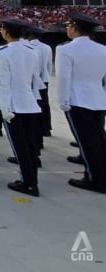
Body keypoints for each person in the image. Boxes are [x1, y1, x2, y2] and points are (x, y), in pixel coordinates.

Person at [55, 11, 106, 193]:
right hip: (99, 99)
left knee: (86, 143)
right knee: (99, 140)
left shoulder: (65, 49)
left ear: (75, 28)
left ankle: (94, 179)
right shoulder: (102, 49)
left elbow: (63, 78)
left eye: (69, 26)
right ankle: (100, 175)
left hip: (77, 100)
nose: (67, 29)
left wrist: (63, 101)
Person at [0, 17, 43, 197]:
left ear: (6, 32)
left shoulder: (3, 53)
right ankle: (32, 180)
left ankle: (28, 183)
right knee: (30, 145)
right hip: (29, 103)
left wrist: (5, 109)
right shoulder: (32, 51)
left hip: (13, 105)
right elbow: (34, 79)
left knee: (20, 147)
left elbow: (3, 83)